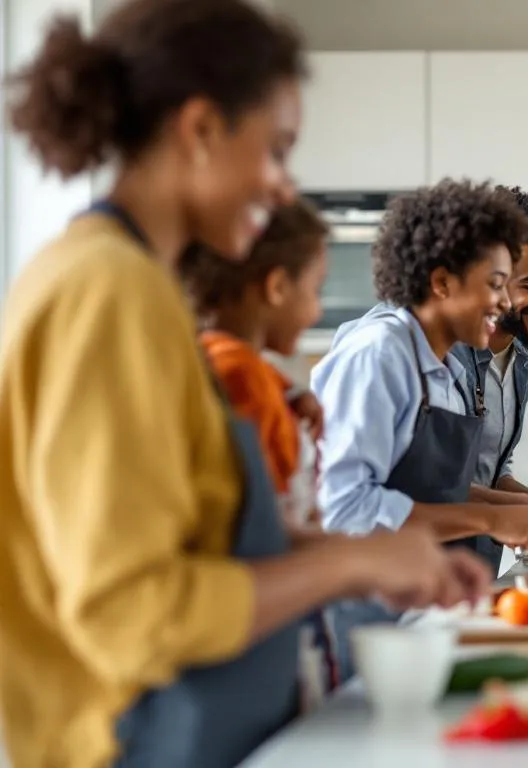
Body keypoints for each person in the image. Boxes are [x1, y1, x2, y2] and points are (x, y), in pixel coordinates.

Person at [0, 2, 491, 767]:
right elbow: (133, 615)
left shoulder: (132, 284)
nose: (282, 184)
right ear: (200, 131)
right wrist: (346, 561)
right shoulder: (108, 292)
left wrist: (366, 557)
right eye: (277, 149)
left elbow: (197, 538)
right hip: (126, 744)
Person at [314, 178, 528, 681]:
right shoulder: (379, 354)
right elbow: (346, 509)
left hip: (418, 608)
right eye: (496, 284)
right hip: (362, 619)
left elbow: (425, 484)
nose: (504, 305)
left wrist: (513, 506)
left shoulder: (444, 368)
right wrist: (490, 520)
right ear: (442, 283)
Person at [178, 200, 338, 709]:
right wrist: (358, 558)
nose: (316, 309)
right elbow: (258, 529)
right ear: (275, 287)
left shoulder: (232, 362)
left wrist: (291, 397)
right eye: (314, 291)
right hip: (256, 624)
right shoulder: (241, 375)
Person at [449, 185, 528, 566]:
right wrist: (509, 509)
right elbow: (428, 486)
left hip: (480, 563)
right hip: (426, 564)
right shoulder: (443, 357)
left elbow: (490, 468)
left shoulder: (524, 357)